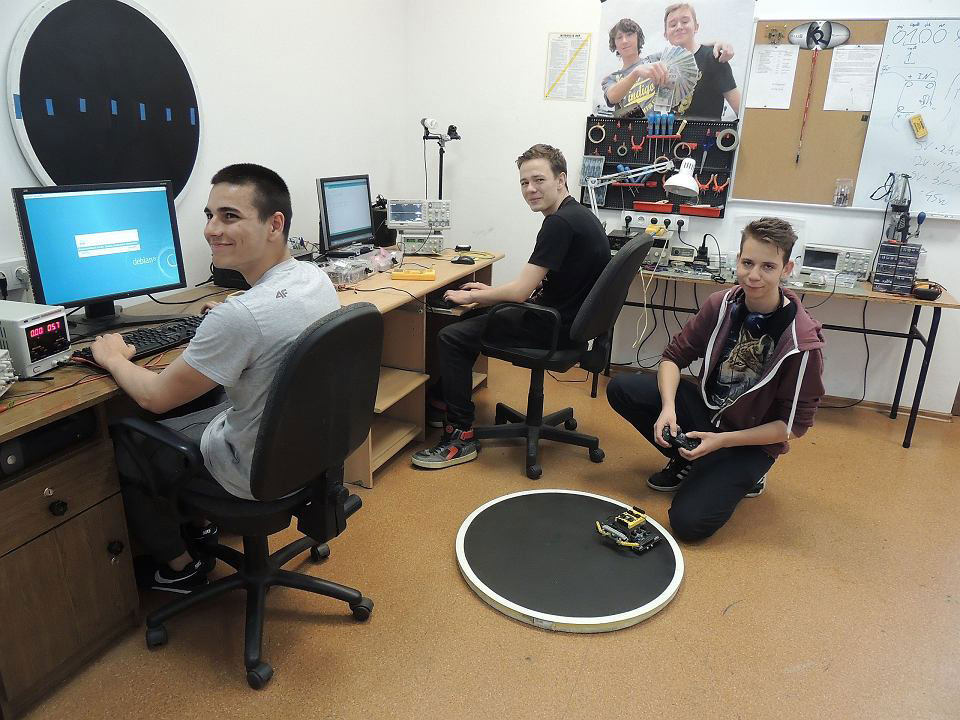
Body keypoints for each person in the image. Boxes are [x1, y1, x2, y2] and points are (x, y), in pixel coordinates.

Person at [90, 163, 340, 592]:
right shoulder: (313, 277)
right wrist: (238, 310)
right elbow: (266, 316)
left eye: (230, 216)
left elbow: (153, 397)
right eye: (209, 215)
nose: (211, 229)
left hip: (251, 469)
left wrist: (114, 358)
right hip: (305, 451)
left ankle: (180, 566)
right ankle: (202, 526)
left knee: (127, 437)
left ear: (274, 224)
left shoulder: (241, 317)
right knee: (207, 398)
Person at [606, 218, 825, 541]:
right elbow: (672, 358)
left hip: (751, 442)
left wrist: (722, 441)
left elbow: (793, 427)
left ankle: (739, 473)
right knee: (623, 388)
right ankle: (687, 456)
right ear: (738, 260)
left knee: (689, 525)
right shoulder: (721, 305)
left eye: (768, 266)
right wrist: (668, 409)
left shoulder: (802, 341)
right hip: (708, 414)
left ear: (786, 269)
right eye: (747, 263)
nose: (753, 275)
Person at [411, 144, 610, 470]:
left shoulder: (559, 224)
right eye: (524, 182)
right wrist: (489, 294)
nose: (530, 189)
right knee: (475, 318)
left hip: (552, 327)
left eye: (539, 180)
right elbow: (530, 287)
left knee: (452, 335)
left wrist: (474, 296)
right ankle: (442, 399)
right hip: (567, 322)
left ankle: (460, 435)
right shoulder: (578, 214)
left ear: (560, 180)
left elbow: (519, 292)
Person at [602, 17, 734, 114]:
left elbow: (687, 52)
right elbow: (612, 97)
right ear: (615, 44)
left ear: (638, 38)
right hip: (631, 135)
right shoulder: (611, 79)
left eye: (629, 35)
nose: (625, 40)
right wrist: (636, 72)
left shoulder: (656, 59)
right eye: (619, 37)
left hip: (662, 130)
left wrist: (717, 43)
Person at [663, 2, 741, 118]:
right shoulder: (662, 64)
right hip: (669, 128)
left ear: (696, 27)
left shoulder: (713, 58)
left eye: (685, 21)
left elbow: (740, 109)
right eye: (673, 25)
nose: (679, 27)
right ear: (666, 34)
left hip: (706, 129)